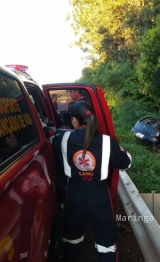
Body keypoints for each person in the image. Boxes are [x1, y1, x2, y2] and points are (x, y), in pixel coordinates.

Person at [51, 101, 132, 262]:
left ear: (74, 120)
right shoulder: (108, 142)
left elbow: (53, 139)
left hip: (74, 195)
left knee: (72, 234)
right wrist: (124, 152)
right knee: (105, 237)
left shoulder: (62, 139)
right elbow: (125, 163)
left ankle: (69, 257)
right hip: (99, 196)